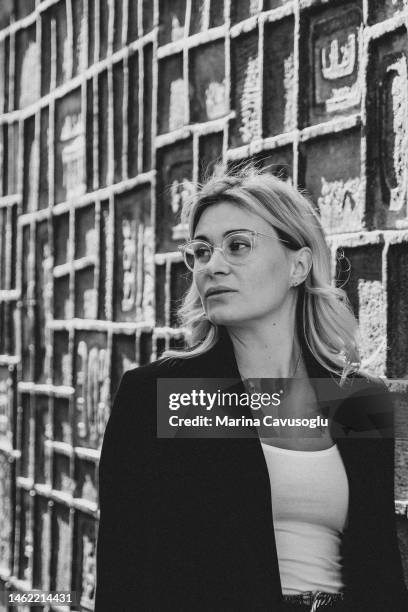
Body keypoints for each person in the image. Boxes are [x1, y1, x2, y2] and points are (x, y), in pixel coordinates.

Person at [95, 168, 408, 611]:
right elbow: (122, 573)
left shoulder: (355, 398)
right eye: (200, 252)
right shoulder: (158, 395)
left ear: (298, 265)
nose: (212, 265)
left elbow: (378, 566)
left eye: (237, 246)